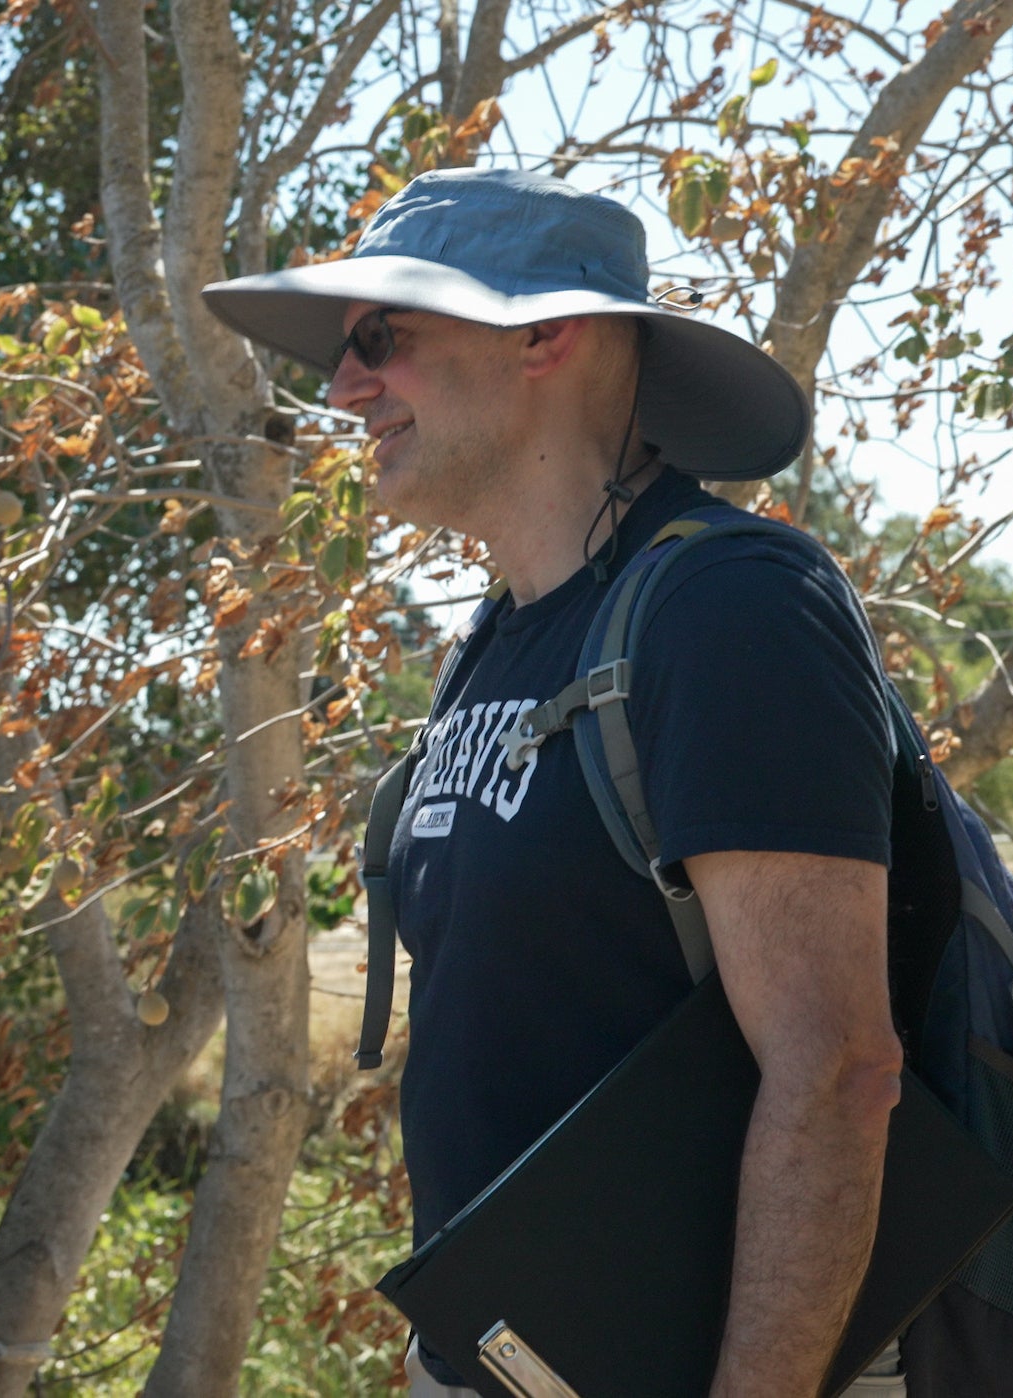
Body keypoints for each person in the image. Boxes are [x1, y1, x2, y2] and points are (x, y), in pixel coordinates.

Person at [204, 169, 909, 1396]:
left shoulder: (731, 607)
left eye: (385, 336)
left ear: (543, 332)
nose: (343, 387)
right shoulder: (497, 642)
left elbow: (839, 1073)